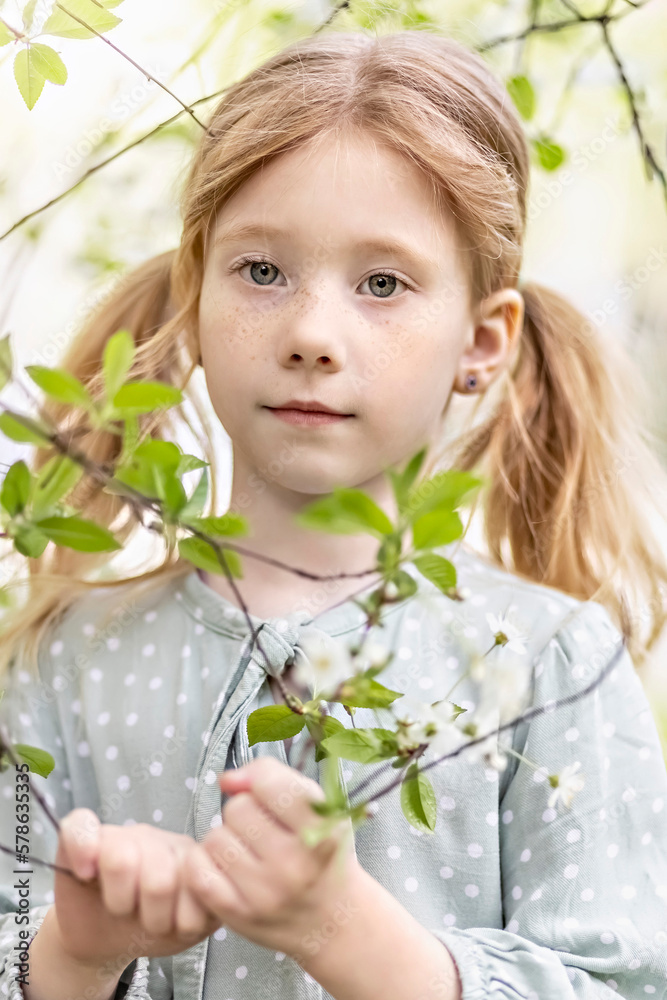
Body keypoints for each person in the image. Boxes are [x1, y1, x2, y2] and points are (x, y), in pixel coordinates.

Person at [1, 27, 667, 1000]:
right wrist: (76, 953)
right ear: (192, 297)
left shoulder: (549, 667)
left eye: (383, 283)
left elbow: (621, 981)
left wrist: (351, 937)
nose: (313, 333)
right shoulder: (63, 656)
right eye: (262, 271)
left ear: (481, 341)